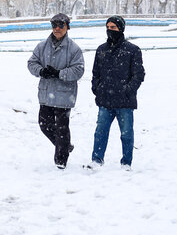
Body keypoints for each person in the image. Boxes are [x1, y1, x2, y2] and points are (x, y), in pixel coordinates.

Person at [27, 13, 85, 169]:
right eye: (54, 25)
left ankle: (61, 160)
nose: (57, 29)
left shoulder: (74, 49)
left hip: (64, 95)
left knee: (62, 128)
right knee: (44, 124)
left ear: (67, 27)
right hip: (46, 93)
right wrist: (41, 71)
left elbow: (79, 70)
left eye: (61, 25)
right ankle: (65, 146)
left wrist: (59, 73)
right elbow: (32, 63)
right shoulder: (42, 46)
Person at [90, 15, 145, 169]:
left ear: (120, 29)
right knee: (100, 132)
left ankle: (126, 162)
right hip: (105, 100)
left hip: (124, 101)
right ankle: (96, 160)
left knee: (126, 134)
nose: (110, 30)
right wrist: (97, 89)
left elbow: (139, 74)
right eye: (107, 27)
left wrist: (128, 90)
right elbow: (96, 73)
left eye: (113, 28)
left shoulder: (132, 50)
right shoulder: (101, 50)